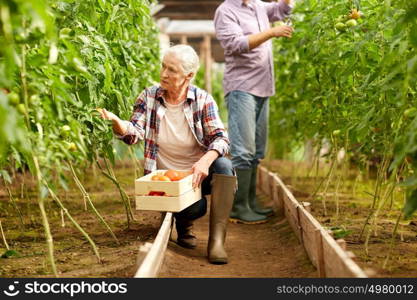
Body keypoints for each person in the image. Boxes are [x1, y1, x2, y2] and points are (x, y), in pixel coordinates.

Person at [98, 45, 236, 264]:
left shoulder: (203, 100)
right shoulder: (149, 96)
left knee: (224, 167)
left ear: (188, 75)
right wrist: (118, 124)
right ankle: (183, 223)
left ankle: (216, 242)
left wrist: (204, 160)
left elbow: (222, 138)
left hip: (196, 177)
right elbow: (134, 133)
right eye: (163, 66)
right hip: (167, 182)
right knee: (195, 208)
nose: (163, 73)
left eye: (171, 69)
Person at [214, 0, 294, 224]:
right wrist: (272, 32)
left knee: (256, 150)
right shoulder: (226, 11)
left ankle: (250, 202)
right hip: (242, 87)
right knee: (243, 150)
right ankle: (238, 206)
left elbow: (281, 10)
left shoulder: (258, 6)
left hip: (262, 87)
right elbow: (236, 44)